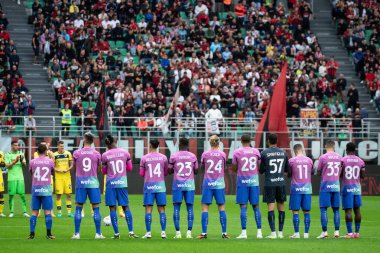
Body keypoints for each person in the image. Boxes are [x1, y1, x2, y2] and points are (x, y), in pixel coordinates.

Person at [102, 135, 138, 239]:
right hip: (122, 183)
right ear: (115, 141)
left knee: (112, 208)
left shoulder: (105, 155)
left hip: (111, 185)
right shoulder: (125, 153)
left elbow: (104, 171)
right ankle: (131, 232)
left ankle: (117, 234)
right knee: (126, 207)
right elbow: (130, 168)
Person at [71, 132, 104, 239]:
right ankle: (98, 234)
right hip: (93, 183)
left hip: (81, 183)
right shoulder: (97, 154)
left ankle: (76, 234)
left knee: (78, 208)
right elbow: (99, 169)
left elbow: (75, 167)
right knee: (96, 208)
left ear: (84, 140)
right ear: (92, 141)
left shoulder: (76, 153)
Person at [197, 135, 229, 239]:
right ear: (218, 143)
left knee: (205, 208)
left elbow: (202, 167)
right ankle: (224, 233)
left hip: (208, 184)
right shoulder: (223, 154)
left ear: (210, 143)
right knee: (221, 208)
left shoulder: (205, 154)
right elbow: (224, 167)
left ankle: (204, 233)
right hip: (219, 184)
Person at [231, 134, 262, 239]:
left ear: (241, 140)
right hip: (254, 182)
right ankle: (259, 233)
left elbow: (234, 168)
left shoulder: (237, 152)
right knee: (256, 206)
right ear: (250, 140)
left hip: (242, 182)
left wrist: (239, 169)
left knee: (243, 207)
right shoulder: (256, 152)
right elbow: (259, 166)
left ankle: (244, 233)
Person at [259, 133, 289, 239]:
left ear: (268, 141)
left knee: (270, 207)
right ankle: (280, 233)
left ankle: (273, 233)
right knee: (281, 207)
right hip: (280, 182)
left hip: (269, 183)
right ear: (277, 141)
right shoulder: (283, 152)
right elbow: (287, 169)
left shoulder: (264, 153)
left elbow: (261, 170)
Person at [168, 138, 198, 239]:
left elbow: (169, 170)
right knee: (190, 208)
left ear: (179, 145)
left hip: (178, 185)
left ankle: (178, 233)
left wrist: (174, 170)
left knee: (177, 207)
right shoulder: (193, 156)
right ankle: (189, 233)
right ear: (187, 145)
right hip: (189, 185)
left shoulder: (174, 156)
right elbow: (197, 171)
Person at [140, 139, 168, 239]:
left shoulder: (144, 158)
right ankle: (163, 232)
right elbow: (165, 173)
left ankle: (148, 233)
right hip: (160, 186)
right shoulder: (163, 158)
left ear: (150, 145)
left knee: (148, 209)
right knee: (161, 209)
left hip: (149, 186)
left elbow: (141, 174)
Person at [28, 144, 56, 239]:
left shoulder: (32, 162)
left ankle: (32, 234)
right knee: (47, 212)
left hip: (36, 189)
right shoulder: (50, 161)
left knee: (34, 212)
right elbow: (53, 172)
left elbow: (31, 172)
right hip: (46, 189)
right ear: (46, 151)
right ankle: (49, 234)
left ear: (37, 151)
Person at [316, 140, 342, 239]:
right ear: (334, 146)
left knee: (323, 209)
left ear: (325, 146)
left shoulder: (323, 157)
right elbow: (340, 171)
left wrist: (319, 171)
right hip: (336, 186)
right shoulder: (340, 157)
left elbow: (318, 172)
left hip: (325, 186)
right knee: (336, 210)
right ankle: (336, 232)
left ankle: (325, 232)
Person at [288, 144, 314, 239]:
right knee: (306, 211)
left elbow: (289, 173)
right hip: (307, 189)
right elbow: (311, 172)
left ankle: (297, 233)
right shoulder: (309, 160)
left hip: (296, 189)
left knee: (295, 211)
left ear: (294, 151)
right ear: (302, 150)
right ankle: (306, 234)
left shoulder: (291, 161)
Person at [341, 142, 365, 238]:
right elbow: (363, 176)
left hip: (347, 187)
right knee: (357, 210)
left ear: (346, 150)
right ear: (355, 150)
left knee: (348, 211)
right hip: (357, 188)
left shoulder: (343, 160)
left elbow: (339, 173)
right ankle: (357, 233)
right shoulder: (360, 161)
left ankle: (350, 233)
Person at [4, 140, 29, 217]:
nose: (17, 147)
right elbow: (7, 166)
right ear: (12, 146)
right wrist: (15, 161)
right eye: (15, 145)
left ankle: (25, 212)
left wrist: (21, 161)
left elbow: (24, 165)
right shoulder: (8, 155)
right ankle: (11, 212)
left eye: (18, 145)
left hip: (20, 177)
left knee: (22, 195)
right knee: (11, 195)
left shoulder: (21, 154)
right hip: (11, 178)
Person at [52, 141, 73, 217]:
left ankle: (69, 212)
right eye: (61, 146)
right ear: (58, 146)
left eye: (63, 146)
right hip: (58, 178)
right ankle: (59, 212)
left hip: (67, 177)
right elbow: (52, 166)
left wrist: (68, 169)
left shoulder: (68, 154)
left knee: (69, 195)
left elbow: (71, 164)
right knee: (58, 195)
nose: (62, 147)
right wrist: (59, 170)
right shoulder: (54, 155)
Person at [0, 150, 5, 217]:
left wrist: (2, 164)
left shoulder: (1, 153)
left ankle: (0, 212)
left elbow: (3, 164)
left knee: (1, 194)